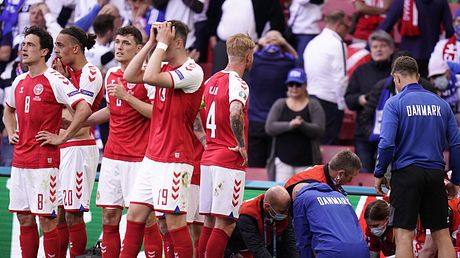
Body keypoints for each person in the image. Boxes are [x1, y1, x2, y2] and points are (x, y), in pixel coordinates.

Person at [4, 26, 91, 258]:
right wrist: (11, 130)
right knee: (23, 216)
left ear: (44, 52)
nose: (24, 48)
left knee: (47, 219)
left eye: (30, 45)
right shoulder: (19, 81)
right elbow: (8, 109)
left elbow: (84, 108)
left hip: (44, 161)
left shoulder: (55, 80)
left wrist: (63, 136)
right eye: (23, 44)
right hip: (20, 160)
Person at [119, 20, 204, 258]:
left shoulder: (192, 70)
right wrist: (150, 43)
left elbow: (150, 76)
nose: (160, 44)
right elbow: (129, 74)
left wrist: (160, 44)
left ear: (178, 42)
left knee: (174, 222)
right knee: (135, 215)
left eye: (165, 40)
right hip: (153, 157)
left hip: (175, 158)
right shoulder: (164, 66)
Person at [83, 25, 161, 258]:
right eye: (117, 42)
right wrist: (77, 123)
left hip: (139, 159)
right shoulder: (112, 74)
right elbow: (111, 109)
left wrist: (127, 96)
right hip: (112, 158)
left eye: (126, 43)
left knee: (146, 219)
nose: (119, 47)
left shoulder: (148, 75)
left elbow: (158, 113)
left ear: (139, 48)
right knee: (109, 216)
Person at [374, 56, 460, 257]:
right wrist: (456, 179)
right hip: (434, 173)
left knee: (403, 234)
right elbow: (456, 144)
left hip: (406, 174)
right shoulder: (442, 104)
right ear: (419, 77)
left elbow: (386, 143)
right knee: (441, 234)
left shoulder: (394, 103)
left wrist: (379, 173)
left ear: (396, 78)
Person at [197, 33, 255, 258]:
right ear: (248, 57)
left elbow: (193, 115)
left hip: (209, 156)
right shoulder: (239, 84)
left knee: (210, 222)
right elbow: (235, 112)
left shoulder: (209, 81)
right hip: (228, 159)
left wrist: (205, 140)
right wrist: (241, 144)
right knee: (226, 224)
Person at [52, 26, 104, 257]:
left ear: (75, 48)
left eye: (60, 46)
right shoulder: (66, 74)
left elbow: (79, 116)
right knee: (59, 212)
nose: (56, 51)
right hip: (62, 146)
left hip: (79, 148)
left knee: (73, 212)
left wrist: (62, 83)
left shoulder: (90, 73)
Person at [345, 30, 394, 172]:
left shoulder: (396, 72)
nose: (378, 49)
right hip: (364, 132)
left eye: (383, 46)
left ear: (391, 49)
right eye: (375, 46)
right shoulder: (361, 71)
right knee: (363, 171)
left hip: (390, 133)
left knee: (386, 174)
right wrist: (360, 99)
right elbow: (348, 99)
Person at [265, 68, 325, 182]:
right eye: (291, 84)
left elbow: (319, 130)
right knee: (281, 195)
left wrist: (302, 125)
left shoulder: (313, 105)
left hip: (307, 164)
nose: (294, 87)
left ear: (305, 85)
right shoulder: (280, 104)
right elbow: (269, 127)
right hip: (283, 162)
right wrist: (290, 125)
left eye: (298, 84)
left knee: (305, 196)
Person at [248, 31, 296, 168]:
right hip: (274, 121)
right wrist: (284, 43)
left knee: (258, 166)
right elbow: (296, 58)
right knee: (271, 167)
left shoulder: (255, 59)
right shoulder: (287, 61)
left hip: (270, 121)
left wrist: (260, 44)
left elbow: (246, 58)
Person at [304, 10, 351, 145]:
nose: (347, 31)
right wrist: (341, 105)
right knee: (328, 146)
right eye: (346, 27)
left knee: (314, 144)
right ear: (338, 25)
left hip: (311, 97)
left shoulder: (312, 42)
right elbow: (341, 78)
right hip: (329, 100)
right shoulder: (338, 43)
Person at [377, 0, 454, 78]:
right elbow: (449, 30)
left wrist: (369, 47)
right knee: (428, 88)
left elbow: (386, 26)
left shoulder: (403, 1)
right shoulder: (441, 2)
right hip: (431, 55)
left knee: (406, 87)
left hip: (406, 56)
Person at [292, 182, 370, 258]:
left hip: (331, 251)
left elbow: (302, 239)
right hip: (362, 250)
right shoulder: (341, 196)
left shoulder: (302, 197)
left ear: (297, 192)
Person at [225, 186, 299, 258]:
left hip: (265, 243)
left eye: (287, 210)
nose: (285, 215)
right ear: (267, 207)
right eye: (282, 212)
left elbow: (290, 242)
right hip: (239, 247)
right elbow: (257, 248)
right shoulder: (246, 215)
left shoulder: (281, 208)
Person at [284, 150, 362, 198]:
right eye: (350, 177)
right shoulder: (317, 186)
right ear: (341, 174)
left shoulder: (323, 170)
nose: (350, 181)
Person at [427, 57, 460, 125]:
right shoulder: (429, 92)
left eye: (439, 75)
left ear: (448, 72)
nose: (437, 79)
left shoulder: (458, 84)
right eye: (434, 77)